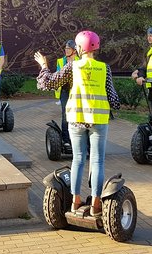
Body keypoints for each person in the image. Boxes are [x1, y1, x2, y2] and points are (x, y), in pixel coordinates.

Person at [34, 30, 121, 216]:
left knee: (78, 160)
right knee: (97, 161)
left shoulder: (72, 67)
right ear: (96, 47)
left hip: (75, 120)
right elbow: (114, 99)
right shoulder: (104, 68)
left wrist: (43, 66)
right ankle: (97, 204)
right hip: (98, 121)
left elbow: (49, 83)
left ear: (79, 48)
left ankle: (75, 202)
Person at [54, 39, 79, 148]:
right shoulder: (61, 61)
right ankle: (66, 139)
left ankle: (77, 138)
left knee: (77, 115)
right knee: (66, 115)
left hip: (77, 92)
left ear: (74, 50)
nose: (66, 50)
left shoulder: (80, 61)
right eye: (65, 48)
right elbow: (59, 75)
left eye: (68, 48)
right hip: (65, 91)